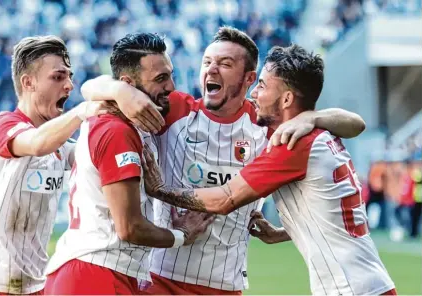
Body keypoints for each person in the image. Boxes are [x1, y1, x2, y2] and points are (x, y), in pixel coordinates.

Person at [81, 27, 366, 295]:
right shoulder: (175, 110)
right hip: (161, 278)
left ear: (249, 78)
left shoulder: (267, 127)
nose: (211, 69)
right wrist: (121, 91)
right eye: (207, 61)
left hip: (226, 284)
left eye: (225, 63)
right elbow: (90, 89)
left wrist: (313, 116)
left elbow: (355, 124)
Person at [142, 44, 396, 295]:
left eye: (262, 85)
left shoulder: (293, 144)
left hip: (349, 289)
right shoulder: (318, 134)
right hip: (369, 284)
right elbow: (334, 215)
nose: (254, 93)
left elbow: (225, 199)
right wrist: (312, 117)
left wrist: (160, 190)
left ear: (286, 98)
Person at [0, 35, 164, 296]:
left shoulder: (61, 145)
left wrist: (119, 93)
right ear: (28, 82)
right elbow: (38, 143)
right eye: (58, 77)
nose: (69, 85)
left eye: (70, 77)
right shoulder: (4, 125)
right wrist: (83, 110)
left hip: (40, 283)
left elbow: (99, 158)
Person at [43, 33, 214, 295]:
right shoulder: (117, 131)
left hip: (91, 271)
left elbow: (92, 87)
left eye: (169, 75)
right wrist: (181, 235)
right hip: (96, 275)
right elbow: (129, 228)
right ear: (128, 84)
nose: (171, 86)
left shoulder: (118, 122)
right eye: (160, 79)